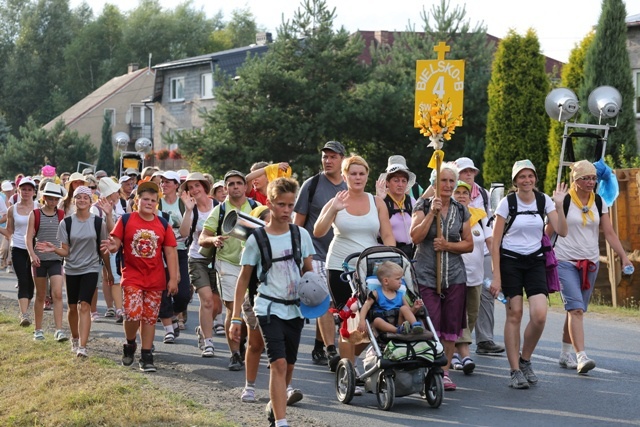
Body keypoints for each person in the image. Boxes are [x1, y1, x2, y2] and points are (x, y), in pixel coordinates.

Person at [230, 177, 316, 427]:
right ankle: (281, 422)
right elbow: (243, 279)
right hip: (267, 307)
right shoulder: (257, 238)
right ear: (270, 204)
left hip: (295, 309)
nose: (287, 211)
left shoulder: (301, 235)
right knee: (277, 362)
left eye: (290, 205)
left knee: (289, 365)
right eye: (281, 205)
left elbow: (309, 272)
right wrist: (236, 317)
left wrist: (318, 298)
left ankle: (275, 402)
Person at [314, 155, 396, 382]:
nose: (357, 178)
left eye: (361, 173)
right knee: (349, 318)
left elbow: (387, 234)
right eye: (353, 173)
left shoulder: (376, 202)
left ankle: (348, 363)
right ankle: (348, 372)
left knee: (373, 319)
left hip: (369, 268)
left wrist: (391, 259)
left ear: (367, 176)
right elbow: (318, 231)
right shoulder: (336, 200)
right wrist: (334, 210)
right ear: (344, 176)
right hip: (340, 266)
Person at [549, 160, 632, 374]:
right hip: (565, 261)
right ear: (575, 180)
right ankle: (581, 356)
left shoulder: (599, 202)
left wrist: (624, 257)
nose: (591, 182)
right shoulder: (564, 201)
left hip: (590, 263)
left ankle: (565, 353)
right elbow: (548, 230)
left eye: (594, 178)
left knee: (576, 310)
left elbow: (610, 233)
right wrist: (540, 257)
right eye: (586, 178)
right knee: (575, 308)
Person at [490, 159, 567, 389]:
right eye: (522, 177)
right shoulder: (507, 202)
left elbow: (562, 231)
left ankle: (525, 360)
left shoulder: (544, 200)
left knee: (540, 315)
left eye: (530, 176)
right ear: (515, 181)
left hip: (535, 262)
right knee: (515, 314)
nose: (527, 180)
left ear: (535, 178)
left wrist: (560, 205)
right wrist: (496, 276)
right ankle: (514, 370)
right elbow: (495, 244)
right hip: (510, 262)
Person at [102, 181, 178, 372]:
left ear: (157, 203)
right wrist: (112, 246)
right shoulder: (127, 220)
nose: (149, 203)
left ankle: (146, 356)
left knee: (150, 319)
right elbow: (116, 242)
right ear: (137, 201)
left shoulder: (162, 224)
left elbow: (170, 252)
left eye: (153, 200)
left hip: (156, 279)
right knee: (133, 314)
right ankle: (129, 344)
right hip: (133, 276)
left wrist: (174, 278)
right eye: (145, 199)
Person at [410, 162, 473, 391]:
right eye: (443, 181)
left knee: (450, 325)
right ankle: (427, 368)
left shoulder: (461, 209)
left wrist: (447, 245)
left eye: (451, 181)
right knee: (431, 322)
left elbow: (469, 244)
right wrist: (431, 214)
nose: (447, 185)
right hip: (426, 274)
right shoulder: (423, 204)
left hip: (454, 275)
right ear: (434, 184)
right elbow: (415, 237)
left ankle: (444, 372)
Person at [36, 186, 112, 357]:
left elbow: (103, 249)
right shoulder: (67, 223)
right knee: (72, 308)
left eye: (86, 197)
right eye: (79, 197)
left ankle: (83, 347)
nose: (82, 200)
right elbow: (65, 252)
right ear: (74, 200)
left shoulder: (98, 222)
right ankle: (75, 338)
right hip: (71, 269)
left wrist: (108, 271)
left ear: (90, 201)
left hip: (91, 267)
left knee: (84, 305)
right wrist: (53, 249)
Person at [294, 141, 347, 368]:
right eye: (325, 156)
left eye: (333, 157)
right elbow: (298, 223)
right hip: (313, 251)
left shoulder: (348, 186)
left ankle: (319, 344)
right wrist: (299, 254)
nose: (328, 161)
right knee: (322, 297)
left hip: (340, 254)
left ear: (342, 159)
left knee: (336, 303)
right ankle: (331, 349)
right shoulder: (312, 184)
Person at [200, 170, 259, 371]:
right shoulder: (220, 210)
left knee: (251, 310)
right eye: (231, 184)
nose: (235, 187)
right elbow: (202, 238)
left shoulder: (255, 207)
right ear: (225, 189)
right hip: (227, 263)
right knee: (233, 308)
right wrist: (213, 239)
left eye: (238, 183)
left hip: (252, 264)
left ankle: (248, 347)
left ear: (245, 186)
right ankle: (234, 354)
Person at [455, 157, 505, 355]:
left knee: (485, 295)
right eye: (464, 171)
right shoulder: (451, 194)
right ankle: (459, 344)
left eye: (471, 171)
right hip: (459, 253)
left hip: (481, 249)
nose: (468, 174)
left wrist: (495, 262)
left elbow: (489, 222)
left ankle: (484, 339)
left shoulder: (483, 193)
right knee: (458, 298)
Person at [450, 180, 492, 375]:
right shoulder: (449, 217)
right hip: (454, 275)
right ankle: (461, 353)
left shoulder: (480, 217)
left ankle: (457, 351)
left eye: (464, 193)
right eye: (457, 192)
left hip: (476, 276)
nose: (461, 196)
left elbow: (490, 243)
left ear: (470, 197)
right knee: (460, 315)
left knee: (472, 315)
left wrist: (497, 272)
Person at [180, 172, 221, 357]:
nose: (194, 190)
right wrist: (188, 210)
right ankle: (208, 342)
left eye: (197, 185)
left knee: (217, 305)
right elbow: (183, 233)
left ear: (204, 186)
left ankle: (202, 329)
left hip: (218, 258)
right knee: (206, 300)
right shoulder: (192, 208)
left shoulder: (219, 206)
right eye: (190, 187)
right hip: (197, 258)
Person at [26, 182, 67, 341]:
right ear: (44, 198)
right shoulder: (35, 214)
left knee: (57, 293)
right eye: (50, 199)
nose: (53, 202)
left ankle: (59, 330)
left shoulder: (62, 215)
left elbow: (65, 238)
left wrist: (63, 252)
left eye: (56, 199)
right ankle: (38, 329)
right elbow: (29, 237)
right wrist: (31, 255)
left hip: (56, 259)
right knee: (41, 295)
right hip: (39, 260)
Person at [157, 170, 192, 344]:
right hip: (161, 252)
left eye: (168, 182)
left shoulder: (183, 204)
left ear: (176, 185)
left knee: (183, 294)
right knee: (162, 291)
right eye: (162, 182)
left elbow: (185, 233)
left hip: (179, 250)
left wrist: (189, 210)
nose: (164, 185)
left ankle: (173, 314)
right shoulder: (157, 204)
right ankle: (169, 329)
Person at [0, 177, 39, 326]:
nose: (26, 192)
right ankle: (24, 314)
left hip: (35, 249)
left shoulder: (38, 207)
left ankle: (25, 310)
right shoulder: (12, 209)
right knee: (22, 280)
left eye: (29, 189)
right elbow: (9, 231)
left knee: (31, 283)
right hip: (17, 247)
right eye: (23, 189)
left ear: (34, 192)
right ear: (18, 190)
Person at [91, 177, 126, 323]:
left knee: (115, 278)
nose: (118, 194)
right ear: (110, 194)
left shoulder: (121, 205)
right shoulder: (95, 208)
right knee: (97, 279)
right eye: (116, 191)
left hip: (114, 247)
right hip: (97, 247)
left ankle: (118, 309)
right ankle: (95, 310)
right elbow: (108, 230)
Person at [358, 261, 424, 334]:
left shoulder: (401, 295)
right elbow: (366, 306)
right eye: (398, 279)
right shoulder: (376, 293)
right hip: (383, 325)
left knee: (404, 308)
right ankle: (397, 331)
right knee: (377, 321)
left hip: (400, 323)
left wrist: (415, 308)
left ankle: (415, 326)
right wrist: (362, 320)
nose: (401, 282)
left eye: (401, 279)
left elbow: (409, 313)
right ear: (386, 281)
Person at [375, 155, 417, 259]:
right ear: (387, 183)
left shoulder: (412, 202)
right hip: (386, 254)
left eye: (403, 181)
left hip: (411, 254)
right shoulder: (379, 201)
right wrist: (379, 199)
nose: (400, 184)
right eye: (396, 180)